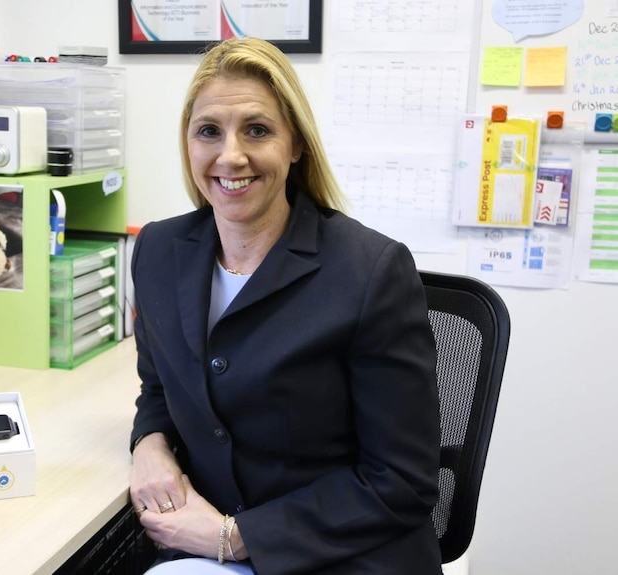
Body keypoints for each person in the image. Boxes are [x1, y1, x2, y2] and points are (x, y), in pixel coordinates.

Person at [128, 37, 441, 575]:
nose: (231, 156)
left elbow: (402, 480)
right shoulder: (158, 251)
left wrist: (234, 537)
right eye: (209, 131)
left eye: (257, 129)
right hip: (208, 545)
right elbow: (160, 387)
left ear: (296, 144)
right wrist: (149, 444)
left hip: (342, 556)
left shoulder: (371, 270)